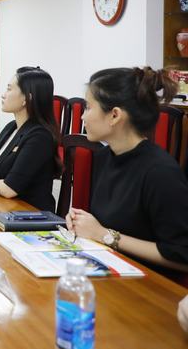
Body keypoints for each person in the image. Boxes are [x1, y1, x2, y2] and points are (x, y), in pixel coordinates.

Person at [67, 67, 188, 276]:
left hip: (148, 285)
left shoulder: (161, 173)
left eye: (88, 107)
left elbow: (182, 256)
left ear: (114, 115)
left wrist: (105, 235)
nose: (82, 116)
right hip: (110, 272)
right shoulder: (104, 157)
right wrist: (81, 222)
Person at [0, 67, 62, 212]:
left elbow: (10, 189)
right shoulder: (11, 127)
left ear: (27, 98)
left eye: (9, 89)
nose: (3, 95)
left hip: (30, 213)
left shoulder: (40, 136)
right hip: (5, 207)